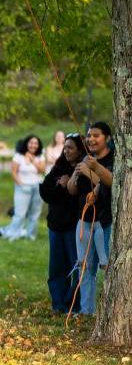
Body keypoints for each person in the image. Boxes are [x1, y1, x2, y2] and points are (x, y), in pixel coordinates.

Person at [67, 122, 114, 315]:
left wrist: (91, 171)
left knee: (108, 266)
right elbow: (72, 190)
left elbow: (111, 183)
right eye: (88, 135)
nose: (91, 139)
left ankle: (111, 312)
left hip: (104, 221)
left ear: (107, 138)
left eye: (96, 135)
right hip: (83, 220)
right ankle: (87, 310)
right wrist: (76, 176)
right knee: (84, 266)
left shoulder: (113, 159)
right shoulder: (87, 160)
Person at [39, 134, 87, 313]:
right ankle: (58, 304)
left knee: (75, 267)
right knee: (57, 267)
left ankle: (73, 303)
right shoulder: (59, 167)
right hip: (56, 226)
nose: (66, 151)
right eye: (65, 147)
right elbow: (45, 192)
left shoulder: (85, 169)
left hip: (74, 226)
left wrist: (69, 185)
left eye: (70, 148)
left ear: (80, 150)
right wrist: (61, 186)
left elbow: (79, 197)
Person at [0, 135, 45, 241]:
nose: (33, 145)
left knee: (34, 214)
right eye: (31, 142)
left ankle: (31, 236)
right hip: (22, 187)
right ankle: (12, 235)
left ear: (38, 145)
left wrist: (32, 160)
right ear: (26, 143)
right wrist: (21, 184)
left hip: (37, 187)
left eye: (36, 143)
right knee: (20, 213)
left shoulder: (40, 156)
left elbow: (42, 170)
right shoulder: (18, 155)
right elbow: (14, 172)